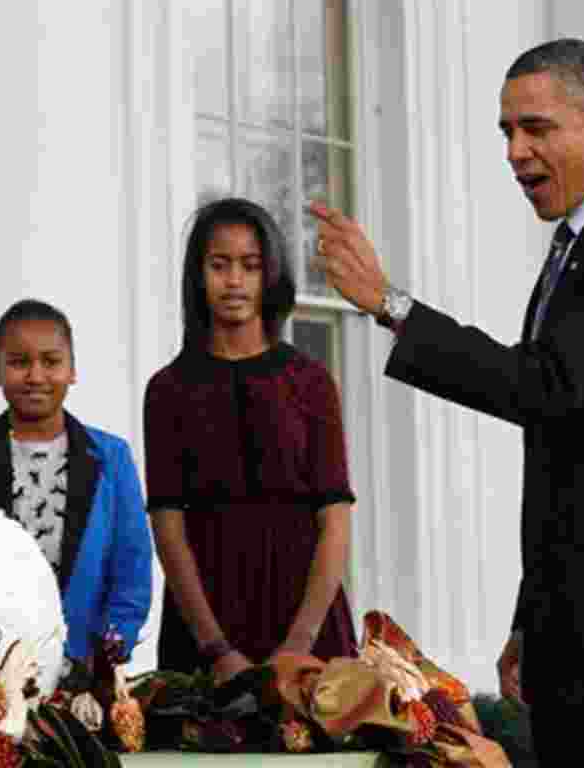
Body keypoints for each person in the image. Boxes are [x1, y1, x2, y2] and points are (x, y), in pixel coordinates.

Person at [312, 38, 584, 766]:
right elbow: (573, 455)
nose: (514, 151)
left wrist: (390, 303)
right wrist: (532, 618)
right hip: (582, 646)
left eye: (536, 128)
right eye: (506, 131)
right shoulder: (578, 246)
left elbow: (544, 386)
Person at [144, 197, 356, 686]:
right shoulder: (168, 391)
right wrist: (216, 649)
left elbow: (335, 522)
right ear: (198, 275)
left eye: (250, 266)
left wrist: (297, 648)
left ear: (270, 275)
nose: (234, 280)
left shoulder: (310, 381)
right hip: (204, 629)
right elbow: (168, 527)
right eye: (219, 265)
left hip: (307, 624)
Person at [0, 299, 153, 664]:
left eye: (51, 362)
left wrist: (113, 648)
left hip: (88, 672)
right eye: (19, 362)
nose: (36, 376)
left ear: (72, 369)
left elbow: (132, 566)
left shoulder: (112, 457)